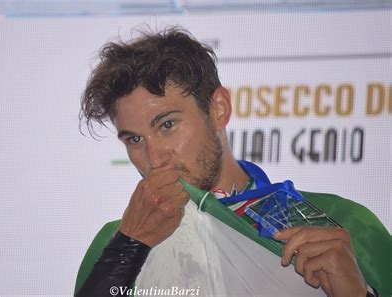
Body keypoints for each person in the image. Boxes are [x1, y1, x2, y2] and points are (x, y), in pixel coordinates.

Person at [74, 27, 389, 297]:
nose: (154, 159)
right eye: (134, 139)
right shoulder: (115, 242)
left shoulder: (344, 224)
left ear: (219, 109)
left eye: (167, 125)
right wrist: (128, 247)